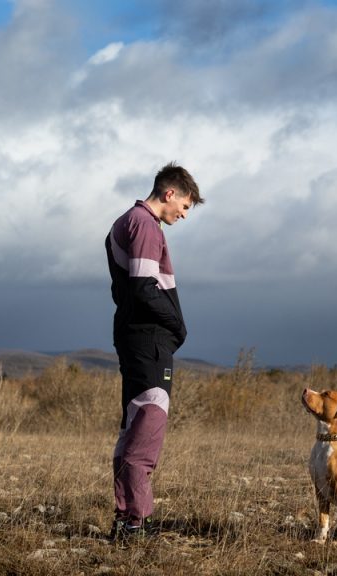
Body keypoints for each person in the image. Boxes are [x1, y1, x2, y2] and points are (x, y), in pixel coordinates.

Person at [104, 162, 204, 541]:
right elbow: (145, 287)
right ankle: (135, 523)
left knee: (134, 425)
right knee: (148, 423)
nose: (183, 214)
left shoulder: (124, 222)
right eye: (185, 206)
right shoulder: (144, 224)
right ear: (169, 193)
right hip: (148, 341)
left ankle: (126, 517)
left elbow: (126, 292)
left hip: (135, 337)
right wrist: (178, 326)